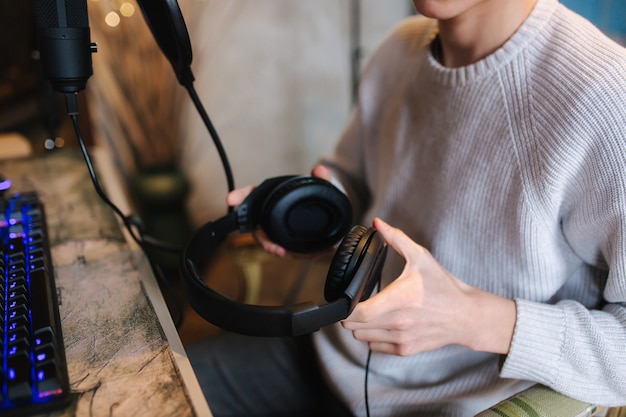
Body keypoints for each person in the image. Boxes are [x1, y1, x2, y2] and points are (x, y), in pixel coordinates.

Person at [186, 0, 626, 415]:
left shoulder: (607, 100)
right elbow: (354, 178)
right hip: (332, 353)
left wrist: (472, 318)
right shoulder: (398, 51)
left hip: (456, 404)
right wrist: (316, 211)